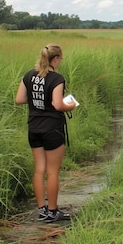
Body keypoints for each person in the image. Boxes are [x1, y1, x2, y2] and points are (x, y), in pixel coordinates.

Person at [15, 44, 77, 223]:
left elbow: (19, 99)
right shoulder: (57, 78)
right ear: (55, 59)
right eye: (60, 59)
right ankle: (53, 211)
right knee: (52, 172)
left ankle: (42, 210)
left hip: (33, 128)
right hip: (52, 128)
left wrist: (36, 101)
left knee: (39, 169)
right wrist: (71, 104)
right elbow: (58, 105)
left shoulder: (29, 75)